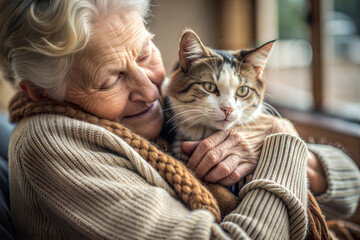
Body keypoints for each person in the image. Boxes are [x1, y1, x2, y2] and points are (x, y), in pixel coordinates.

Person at [0, 0, 359, 239]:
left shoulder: (165, 106)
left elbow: (350, 191)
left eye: (144, 54)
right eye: (111, 79)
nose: (150, 86)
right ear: (40, 93)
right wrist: (283, 147)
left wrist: (299, 155)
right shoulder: (52, 144)